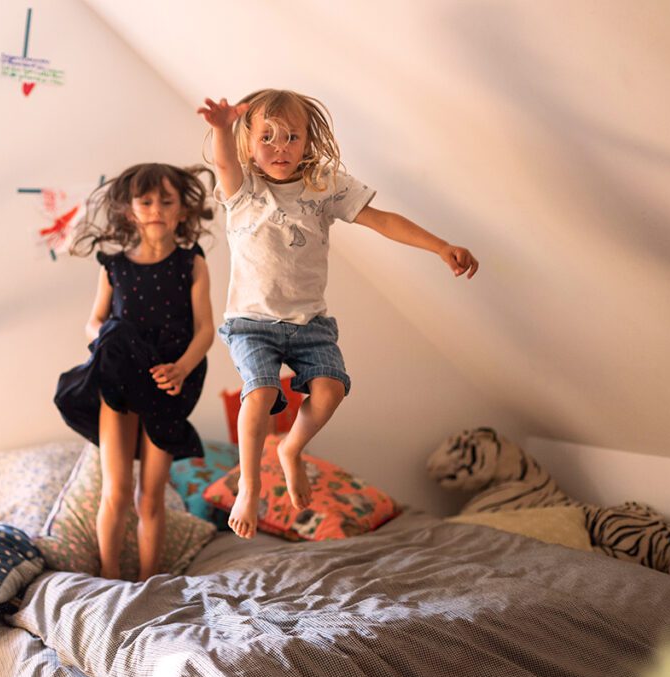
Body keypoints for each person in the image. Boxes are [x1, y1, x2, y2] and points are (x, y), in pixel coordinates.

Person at [198, 89, 479, 539]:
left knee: (330, 392)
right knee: (261, 394)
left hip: (309, 323)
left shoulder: (323, 185)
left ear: (308, 141)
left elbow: (381, 219)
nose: (280, 147)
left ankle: (291, 450)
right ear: (247, 143)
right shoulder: (244, 189)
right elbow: (225, 162)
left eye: (292, 137)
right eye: (266, 137)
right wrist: (219, 128)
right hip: (252, 322)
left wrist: (440, 246)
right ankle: (250, 487)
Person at [54, 163, 215, 579]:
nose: (156, 208)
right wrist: (105, 341)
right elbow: (94, 322)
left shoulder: (191, 263)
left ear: (182, 211)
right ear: (130, 211)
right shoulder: (114, 266)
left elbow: (205, 330)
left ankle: (151, 580)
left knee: (150, 498)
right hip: (120, 382)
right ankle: (108, 576)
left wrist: (180, 369)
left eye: (167, 200)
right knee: (118, 491)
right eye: (146, 201)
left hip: (168, 382)